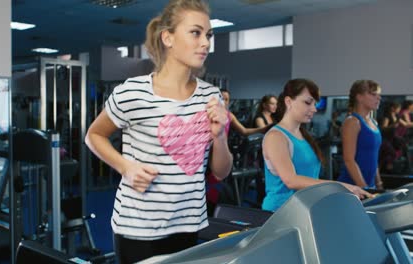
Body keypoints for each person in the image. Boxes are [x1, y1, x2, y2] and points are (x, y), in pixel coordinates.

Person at [84, 0, 233, 263]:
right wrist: (125, 167)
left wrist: (220, 136)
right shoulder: (132, 92)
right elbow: (94, 136)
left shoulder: (210, 96)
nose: (206, 43)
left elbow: (220, 172)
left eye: (208, 35)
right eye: (195, 32)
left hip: (188, 223)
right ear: (168, 38)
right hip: (139, 227)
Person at [262, 79, 371, 212]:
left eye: (315, 104)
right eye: (308, 102)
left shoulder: (303, 135)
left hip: (306, 210)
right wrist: (339, 186)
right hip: (280, 212)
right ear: (288, 101)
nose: (314, 109)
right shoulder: (276, 137)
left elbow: (311, 179)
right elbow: (291, 180)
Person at [206, 88, 265, 214]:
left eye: (226, 99)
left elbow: (244, 131)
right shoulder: (208, 115)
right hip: (210, 155)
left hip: (224, 153)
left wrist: (264, 129)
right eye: (221, 98)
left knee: (222, 186)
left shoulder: (229, 116)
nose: (224, 102)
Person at [337, 80, 383, 189]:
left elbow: (373, 158)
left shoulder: (374, 123)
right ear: (359, 97)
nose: (378, 98)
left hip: (369, 186)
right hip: (353, 187)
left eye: (379, 95)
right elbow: (349, 160)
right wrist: (363, 187)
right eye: (373, 94)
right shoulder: (352, 122)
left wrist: (379, 184)